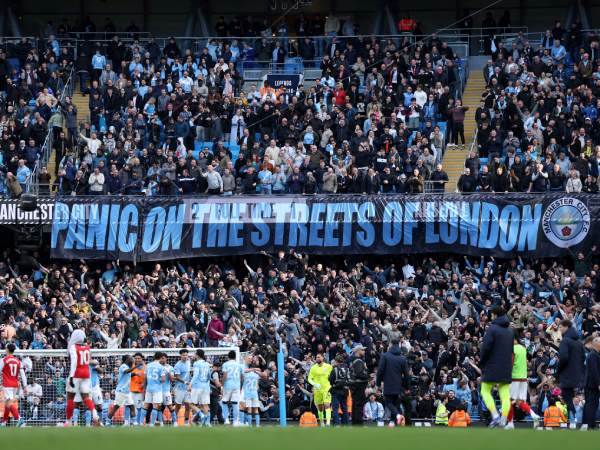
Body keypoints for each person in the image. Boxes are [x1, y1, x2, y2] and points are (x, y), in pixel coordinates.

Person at [479, 306, 513, 428]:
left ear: (494, 315)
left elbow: (486, 348)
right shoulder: (510, 331)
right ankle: (503, 420)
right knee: (505, 394)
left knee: (485, 390)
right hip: (506, 367)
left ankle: (495, 415)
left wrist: (482, 363)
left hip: (492, 366)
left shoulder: (492, 329)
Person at [505, 329, 540, 429]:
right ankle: (534, 415)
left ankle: (510, 423)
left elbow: (510, 364)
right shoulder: (523, 348)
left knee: (509, 400)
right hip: (523, 378)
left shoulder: (512, 349)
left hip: (514, 378)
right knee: (520, 402)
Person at [66, 329, 99, 426]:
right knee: (86, 397)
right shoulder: (87, 347)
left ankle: (68, 421)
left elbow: (74, 362)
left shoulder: (73, 347)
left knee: (70, 398)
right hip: (86, 374)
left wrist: (71, 376)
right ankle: (95, 415)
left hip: (77, 373)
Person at [376, 339, 410, 427]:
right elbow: (407, 374)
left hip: (388, 384)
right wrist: (407, 387)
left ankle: (398, 416)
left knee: (389, 403)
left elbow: (380, 371)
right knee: (395, 404)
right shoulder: (402, 358)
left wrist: (378, 383)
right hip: (398, 385)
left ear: (391, 344)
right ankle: (392, 422)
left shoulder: (385, 356)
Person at [557, 319, 585, 427]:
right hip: (578, 375)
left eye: (560, 327)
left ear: (566, 327)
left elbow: (563, 358)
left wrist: (558, 370)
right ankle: (577, 419)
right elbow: (583, 357)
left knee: (567, 396)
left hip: (567, 375)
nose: (559, 329)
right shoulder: (579, 342)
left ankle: (573, 419)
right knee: (577, 398)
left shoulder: (565, 341)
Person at [0, 343, 27, 427]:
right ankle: (4, 422)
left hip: (7, 384)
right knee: (7, 403)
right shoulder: (18, 361)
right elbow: (22, 374)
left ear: (7, 350)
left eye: (5, 348)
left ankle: (19, 419)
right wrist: (25, 386)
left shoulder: (4, 360)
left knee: (8, 403)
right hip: (15, 385)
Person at [108, 355, 136, 426]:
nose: (131, 359)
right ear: (126, 359)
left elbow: (128, 375)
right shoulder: (123, 366)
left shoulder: (128, 367)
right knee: (116, 407)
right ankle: (108, 421)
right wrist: (135, 367)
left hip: (127, 392)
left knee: (132, 406)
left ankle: (134, 422)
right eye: (130, 358)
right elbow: (126, 371)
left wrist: (135, 374)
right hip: (121, 391)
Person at [308, 353, 333, 427]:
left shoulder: (328, 367)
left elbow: (333, 376)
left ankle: (328, 423)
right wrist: (314, 384)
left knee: (327, 404)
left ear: (323, 358)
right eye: (316, 357)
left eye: (319, 357)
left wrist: (332, 385)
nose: (317, 358)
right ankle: (322, 422)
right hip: (317, 390)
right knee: (320, 408)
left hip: (326, 388)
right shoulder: (313, 368)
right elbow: (309, 379)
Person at [581, 337, 600, 431]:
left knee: (591, 404)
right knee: (591, 405)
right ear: (596, 343)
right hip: (592, 385)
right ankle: (589, 425)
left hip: (591, 384)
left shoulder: (594, 354)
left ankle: (587, 424)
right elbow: (595, 371)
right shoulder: (593, 355)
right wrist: (599, 384)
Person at [143, 352, 166, 426]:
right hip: (157, 389)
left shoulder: (148, 365)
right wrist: (158, 380)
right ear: (160, 358)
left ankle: (140, 422)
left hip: (149, 388)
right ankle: (152, 424)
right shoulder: (161, 367)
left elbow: (145, 377)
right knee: (155, 406)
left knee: (145, 405)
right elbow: (163, 379)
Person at [190, 349, 212, 427]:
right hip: (205, 387)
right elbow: (209, 376)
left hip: (197, 386)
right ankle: (208, 423)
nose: (193, 355)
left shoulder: (196, 363)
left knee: (190, 403)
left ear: (197, 355)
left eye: (194, 353)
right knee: (205, 405)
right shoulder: (207, 364)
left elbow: (195, 375)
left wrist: (190, 384)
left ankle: (201, 414)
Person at [221, 350, 243, 426]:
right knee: (235, 403)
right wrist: (240, 386)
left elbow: (225, 375)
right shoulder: (239, 365)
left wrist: (222, 385)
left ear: (228, 357)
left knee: (224, 402)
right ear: (235, 357)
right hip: (236, 385)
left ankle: (226, 419)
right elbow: (242, 377)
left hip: (227, 385)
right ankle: (235, 421)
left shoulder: (225, 364)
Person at [349, 345, 369, 425]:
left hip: (355, 385)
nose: (364, 351)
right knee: (359, 405)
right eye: (362, 350)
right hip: (359, 385)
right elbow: (359, 373)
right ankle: (359, 422)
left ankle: (355, 422)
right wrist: (368, 376)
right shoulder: (358, 361)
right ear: (358, 351)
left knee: (355, 404)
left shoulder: (355, 360)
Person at [329, 354, 350, 426]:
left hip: (336, 391)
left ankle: (337, 424)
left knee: (335, 408)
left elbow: (330, 380)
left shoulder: (334, 369)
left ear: (336, 361)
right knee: (344, 408)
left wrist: (335, 384)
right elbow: (350, 379)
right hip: (345, 391)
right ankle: (346, 424)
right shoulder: (347, 369)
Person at [173, 349, 192, 426]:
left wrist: (190, 383)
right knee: (178, 406)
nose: (185, 356)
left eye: (186, 355)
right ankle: (174, 422)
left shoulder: (188, 362)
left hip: (187, 388)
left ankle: (186, 423)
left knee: (188, 405)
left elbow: (189, 373)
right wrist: (185, 382)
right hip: (179, 388)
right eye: (183, 355)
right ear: (180, 355)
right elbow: (176, 377)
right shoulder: (177, 365)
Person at [130, 353, 146, 426]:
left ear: (142, 359)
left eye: (139, 358)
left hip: (140, 391)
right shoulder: (131, 366)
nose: (137, 359)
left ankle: (139, 422)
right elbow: (127, 375)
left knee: (139, 407)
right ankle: (131, 422)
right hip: (131, 390)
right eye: (136, 358)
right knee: (131, 407)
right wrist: (135, 373)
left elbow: (148, 377)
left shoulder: (145, 367)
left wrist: (144, 384)